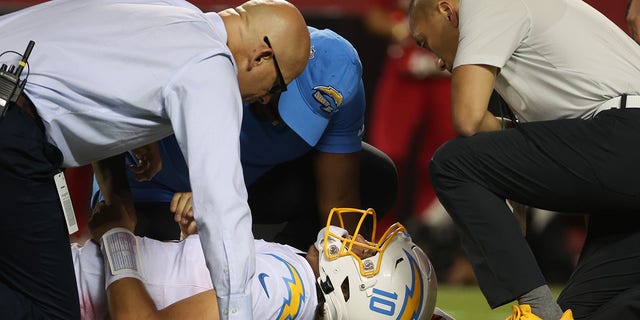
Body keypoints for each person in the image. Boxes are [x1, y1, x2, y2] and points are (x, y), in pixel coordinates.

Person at [0, 0, 310, 319]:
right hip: (13, 128)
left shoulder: (174, 10)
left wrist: (139, 136)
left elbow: (83, 72)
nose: (264, 99)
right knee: (48, 314)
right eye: (276, 87)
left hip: (11, 97)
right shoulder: (211, 65)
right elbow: (222, 209)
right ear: (262, 56)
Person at [408, 0, 640, 319]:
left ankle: (535, 310)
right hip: (621, 154)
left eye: (424, 41)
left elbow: (467, 119)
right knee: (582, 313)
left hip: (626, 132)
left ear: (447, 11)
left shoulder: (484, 3)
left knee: (452, 164)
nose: (435, 60)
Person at [94, 27, 399, 250]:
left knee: (375, 177)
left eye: (312, 117)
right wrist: (118, 205)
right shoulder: (211, 56)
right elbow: (103, 114)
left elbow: (340, 203)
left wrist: (341, 263)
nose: (286, 121)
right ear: (265, 61)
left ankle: (289, 270)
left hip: (240, 186)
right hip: (158, 193)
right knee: (176, 280)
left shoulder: (342, 88)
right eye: (281, 95)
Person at [81, 202, 446, 319]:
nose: (359, 238)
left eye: (368, 253)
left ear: (357, 291)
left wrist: (116, 236)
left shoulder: (286, 288)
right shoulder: (297, 279)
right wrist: (197, 245)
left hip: (68, 288)